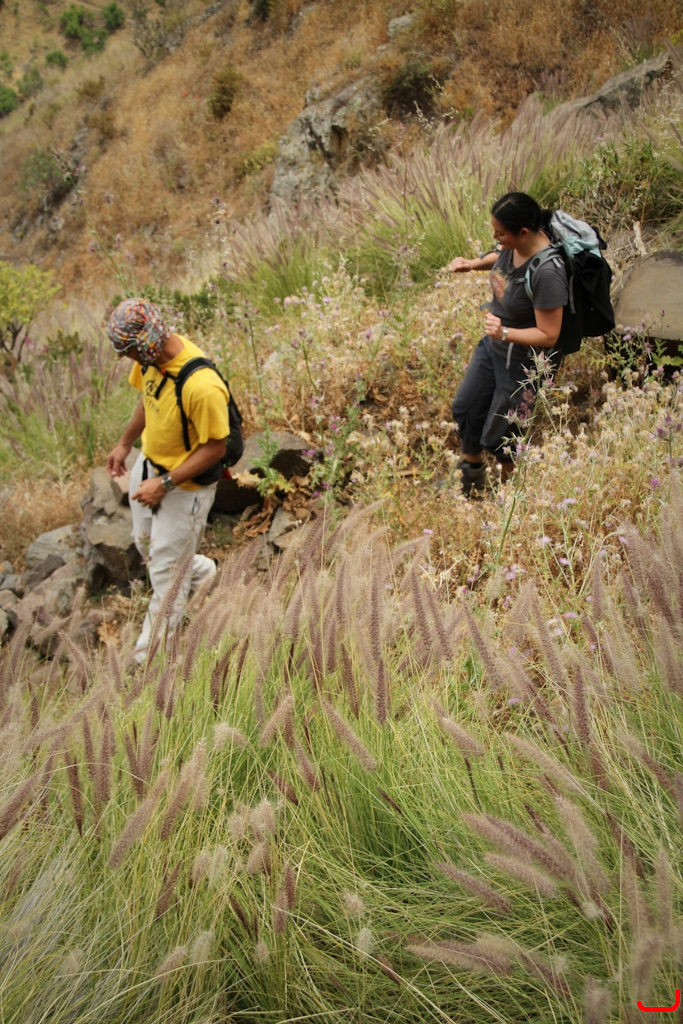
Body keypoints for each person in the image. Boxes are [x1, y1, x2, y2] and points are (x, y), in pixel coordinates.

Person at [105, 299, 229, 663]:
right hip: (149, 466)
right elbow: (147, 400)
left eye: (127, 350)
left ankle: (149, 663)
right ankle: (201, 571)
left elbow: (216, 448)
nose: (124, 357)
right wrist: (125, 443)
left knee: (166, 579)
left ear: (147, 343)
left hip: (184, 488)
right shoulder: (151, 360)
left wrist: (165, 484)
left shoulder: (202, 386)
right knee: (146, 545)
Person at [447, 192, 568, 495]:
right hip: (494, 348)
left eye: (500, 233)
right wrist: (472, 264)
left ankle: (509, 501)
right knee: (467, 407)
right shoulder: (512, 246)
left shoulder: (548, 273)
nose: (495, 238)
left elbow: (549, 335)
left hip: (524, 364)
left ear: (524, 232)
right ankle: (472, 481)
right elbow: (500, 256)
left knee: (505, 434)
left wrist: (504, 332)